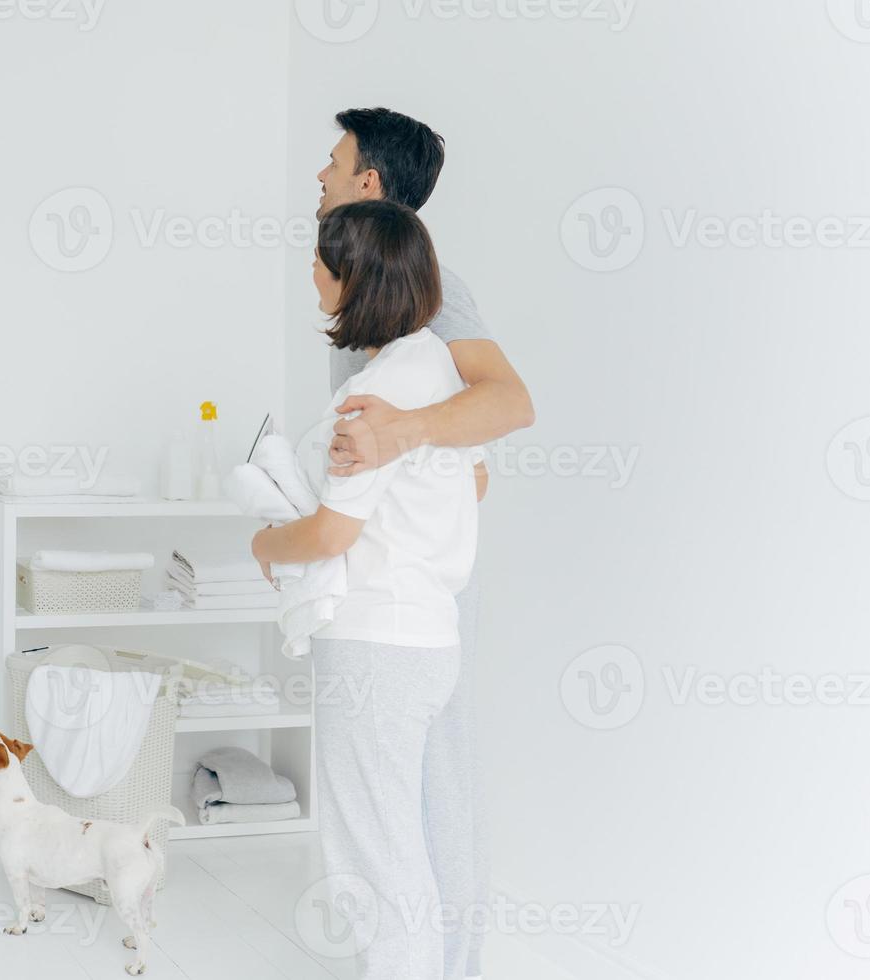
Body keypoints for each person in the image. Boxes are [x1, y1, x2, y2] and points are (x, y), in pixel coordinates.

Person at [318, 107, 536, 980]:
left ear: (369, 183)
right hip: (386, 573)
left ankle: (453, 967)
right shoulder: (363, 280)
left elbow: (508, 400)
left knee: (437, 776)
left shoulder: (433, 283)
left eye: (332, 165)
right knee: (394, 793)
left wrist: (410, 435)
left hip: (422, 587)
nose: (320, 179)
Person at [251, 200, 477, 980]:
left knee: (375, 859)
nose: (311, 272)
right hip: (428, 639)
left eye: (321, 261)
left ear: (356, 279)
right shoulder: (439, 373)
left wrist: (265, 544)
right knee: (398, 843)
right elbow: (470, 482)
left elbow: (329, 535)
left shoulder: (374, 394)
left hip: (374, 647)